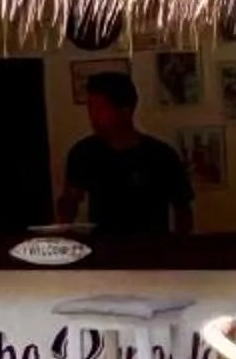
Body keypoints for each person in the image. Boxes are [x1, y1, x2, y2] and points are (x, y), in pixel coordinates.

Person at [57, 72, 195, 238]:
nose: (93, 116)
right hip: (104, 248)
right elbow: (69, 202)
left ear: (126, 111)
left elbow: (182, 209)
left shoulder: (161, 155)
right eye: (90, 108)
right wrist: (65, 228)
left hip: (152, 247)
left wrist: (177, 246)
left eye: (101, 109)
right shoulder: (84, 152)